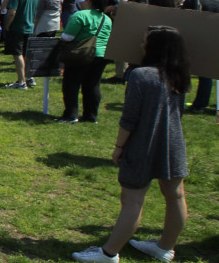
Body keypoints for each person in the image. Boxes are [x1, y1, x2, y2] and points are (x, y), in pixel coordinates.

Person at [71, 26, 190, 263]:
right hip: (173, 142)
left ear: (154, 47)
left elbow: (130, 118)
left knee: (132, 200)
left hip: (143, 143)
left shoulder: (141, 75)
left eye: (145, 41)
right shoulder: (179, 75)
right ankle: (165, 247)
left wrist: (119, 147)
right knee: (176, 196)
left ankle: (109, 253)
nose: (141, 45)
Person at [56, 0, 113, 124]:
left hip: (81, 54)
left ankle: (71, 114)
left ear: (90, 1)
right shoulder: (106, 19)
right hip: (101, 55)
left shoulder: (80, 15)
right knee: (92, 85)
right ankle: (90, 116)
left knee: (71, 84)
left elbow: (67, 37)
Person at [3, 0, 40, 89]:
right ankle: (29, 78)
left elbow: (12, 12)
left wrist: (7, 26)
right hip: (30, 26)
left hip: (18, 27)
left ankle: (21, 81)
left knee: (17, 54)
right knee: (26, 53)